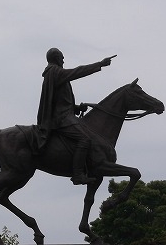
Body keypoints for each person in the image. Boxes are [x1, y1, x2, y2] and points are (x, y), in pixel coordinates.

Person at [37, 48, 114, 185]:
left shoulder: (54, 74)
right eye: (62, 57)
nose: (63, 60)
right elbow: (77, 71)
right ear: (56, 58)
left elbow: (58, 101)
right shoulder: (55, 72)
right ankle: (78, 174)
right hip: (61, 119)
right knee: (85, 139)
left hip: (65, 115)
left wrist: (76, 107)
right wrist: (99, 64)